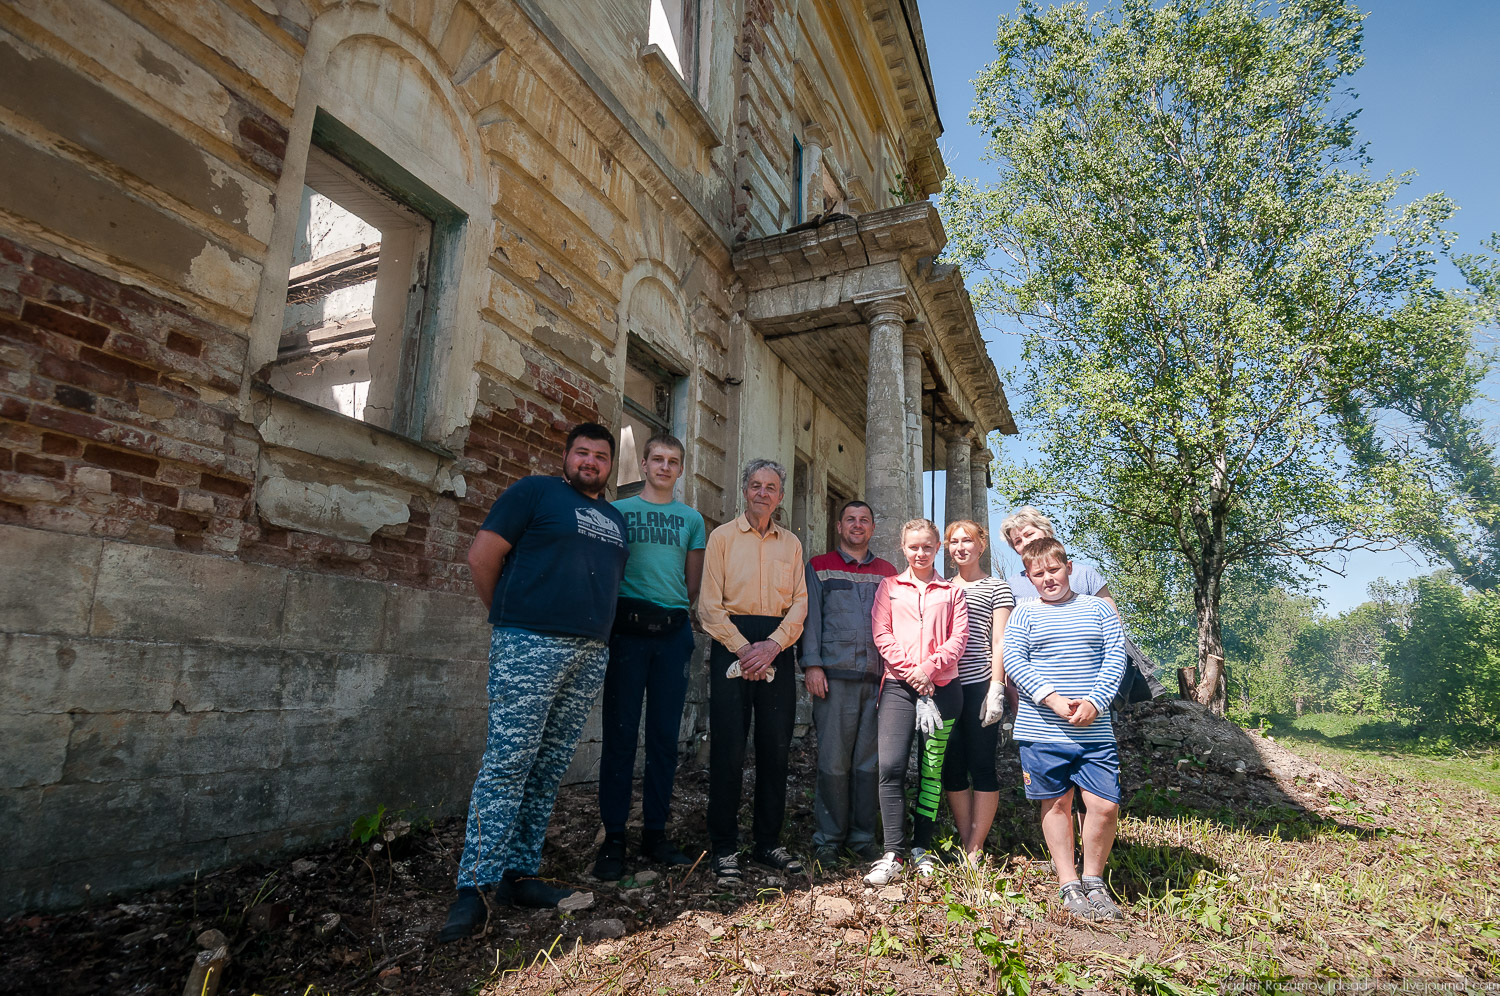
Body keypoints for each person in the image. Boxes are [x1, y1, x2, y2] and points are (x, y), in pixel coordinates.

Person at [439, 423, 629, 942]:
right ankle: (473, 889)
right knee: (507, 763)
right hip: (530, 645)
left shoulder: (614, 518)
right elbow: (482, 557)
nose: (590, 462)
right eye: (582, 453)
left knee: (547, 768)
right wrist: (509, 617)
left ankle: (518, 876)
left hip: (589, 652)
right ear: (566, 456)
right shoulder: (534, 492)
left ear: (610, 466)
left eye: (601, 456)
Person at [591, 433, 707, 881]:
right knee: (620, 735)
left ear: (680, 470)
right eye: (656, 459)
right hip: (625, 632)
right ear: (643, 465)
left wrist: (670, 607)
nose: (664, 466)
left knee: (663, 738)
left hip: (672, 632)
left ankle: (655, 833)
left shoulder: (691, 519)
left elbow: (691, 586)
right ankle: (614, 837)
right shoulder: (618, 513)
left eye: (672, 461)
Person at [1003, 537, 1128, 922]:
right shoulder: (1023, 613)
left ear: (1069, 567)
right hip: (1042, 729)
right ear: (1028, 577)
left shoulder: (1097, 609)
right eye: (1037, 574)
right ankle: (1069, 882)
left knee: (1104, 806)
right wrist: (1052, 699)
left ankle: (1094, 879)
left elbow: (1115, 656)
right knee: (1056, 803)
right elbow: (1014, 660)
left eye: (1054, 570)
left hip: (1094, 730)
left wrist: (1094, 702)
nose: (1048, 579)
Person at [698, 459, 809, 886]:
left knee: (775, 747)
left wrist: (774, 646)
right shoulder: (722, 538)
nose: (763, 493)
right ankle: (724, 846)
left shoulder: (792, 544)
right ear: (745, 490)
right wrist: (745, 649)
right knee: (728, 747)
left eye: (772, 487)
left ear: (781, 497)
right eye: (756, 485)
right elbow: (709, 605)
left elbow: (800, 602)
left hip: (776, 645)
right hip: (733, 642)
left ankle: (767, 841)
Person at [864, 518, 970, 886]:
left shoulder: (952, 591)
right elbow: (882, 634)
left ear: (937, 547)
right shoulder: (889, 587)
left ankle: (921, 847)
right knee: (891, 768)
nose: (920, 553)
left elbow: (959, 639)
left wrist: (929, 670)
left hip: (943, 690)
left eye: (927, 546)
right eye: (913, 547)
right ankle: (893, 851)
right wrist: (913, 672)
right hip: (898, 687)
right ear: (903, 548)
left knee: (931, 769)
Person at [801, 500, 898, 869]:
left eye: (864, 520)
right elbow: (810, 619)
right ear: (839, 526)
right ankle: (827, 839)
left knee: (869, 763)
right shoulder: (819, 567)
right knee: (833, 762)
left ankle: (861, 837)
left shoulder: (888, 572)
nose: (857, 526)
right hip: (834, 677)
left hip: (878, 680)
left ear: (872, 528)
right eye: (850, 520)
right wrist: (812, 665)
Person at [941, 520, 1015, 864]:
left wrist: (996, 687)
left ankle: (976, 846)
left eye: (967, 540)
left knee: (982, 764)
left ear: (981, 545)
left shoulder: (996, 587)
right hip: (945, 686)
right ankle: (965, 836)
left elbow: (1000, 640)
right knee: (952, 766)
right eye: (954, 542)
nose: (961, 547)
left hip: (980, 684)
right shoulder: (940, 587)